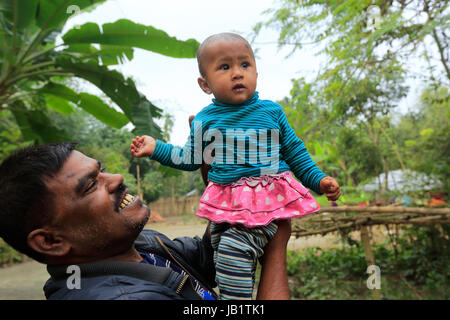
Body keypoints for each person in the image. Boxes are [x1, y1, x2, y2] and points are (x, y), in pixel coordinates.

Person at [130, 32, 341, 300]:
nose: (237, 73)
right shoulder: (205, 119)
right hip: (225, 206)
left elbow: (296, 153)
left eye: (245, 64)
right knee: (222, 255)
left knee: (232, 251)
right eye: (224, 67)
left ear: (256, 71)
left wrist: (319, 181)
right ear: (205, 84)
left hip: (267, 201)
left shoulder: (271, 112)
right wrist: (156, 148)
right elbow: (189, 158)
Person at [0, 141, 291, 300]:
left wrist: (226, 189)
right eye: (90, 185)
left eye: (101, 170)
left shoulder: (139, 246)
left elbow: (207, 260)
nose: (115, 179)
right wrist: (277, 244)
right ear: (51, 241)